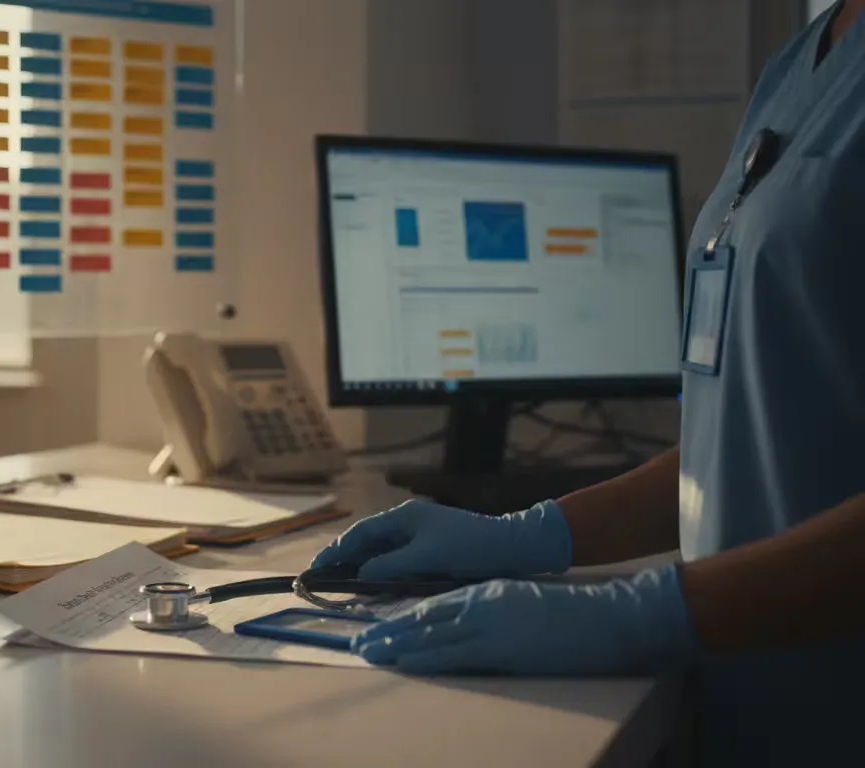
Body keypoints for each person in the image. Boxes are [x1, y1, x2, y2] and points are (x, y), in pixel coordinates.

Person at [311, 2, 865, 764]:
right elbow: (747, 443)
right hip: (751, 702)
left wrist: (643, 615)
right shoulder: (798, 62)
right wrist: (534, 534)